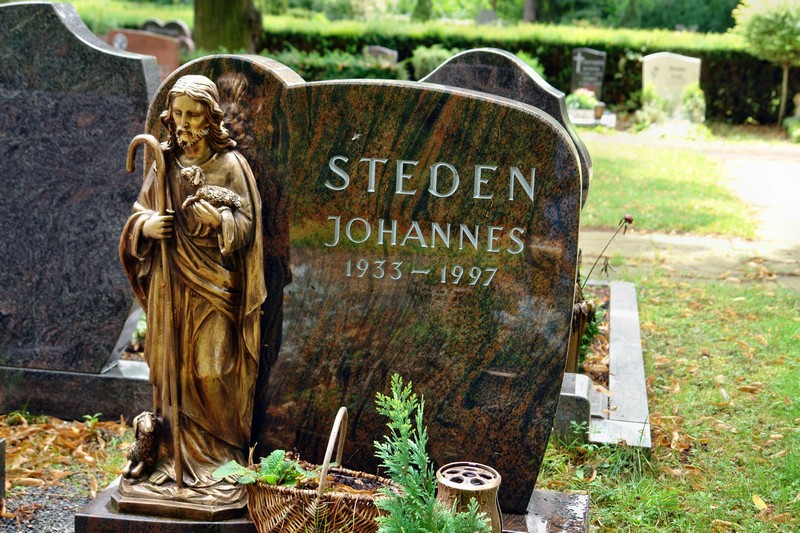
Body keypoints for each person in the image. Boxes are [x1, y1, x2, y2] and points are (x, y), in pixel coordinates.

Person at [118, 74, 266, 511]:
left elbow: (249, 227)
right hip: (170, 286)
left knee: (213, 371)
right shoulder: (163, 162)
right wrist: (146, 227)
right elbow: (139, 214)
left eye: (193, 115)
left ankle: (223, 459)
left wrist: (221, 222)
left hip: (216, 286)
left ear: (210, 118)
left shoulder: (231, 165)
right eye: (178, 114)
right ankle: (171, 457)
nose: (183, 124)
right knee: (174, 372)